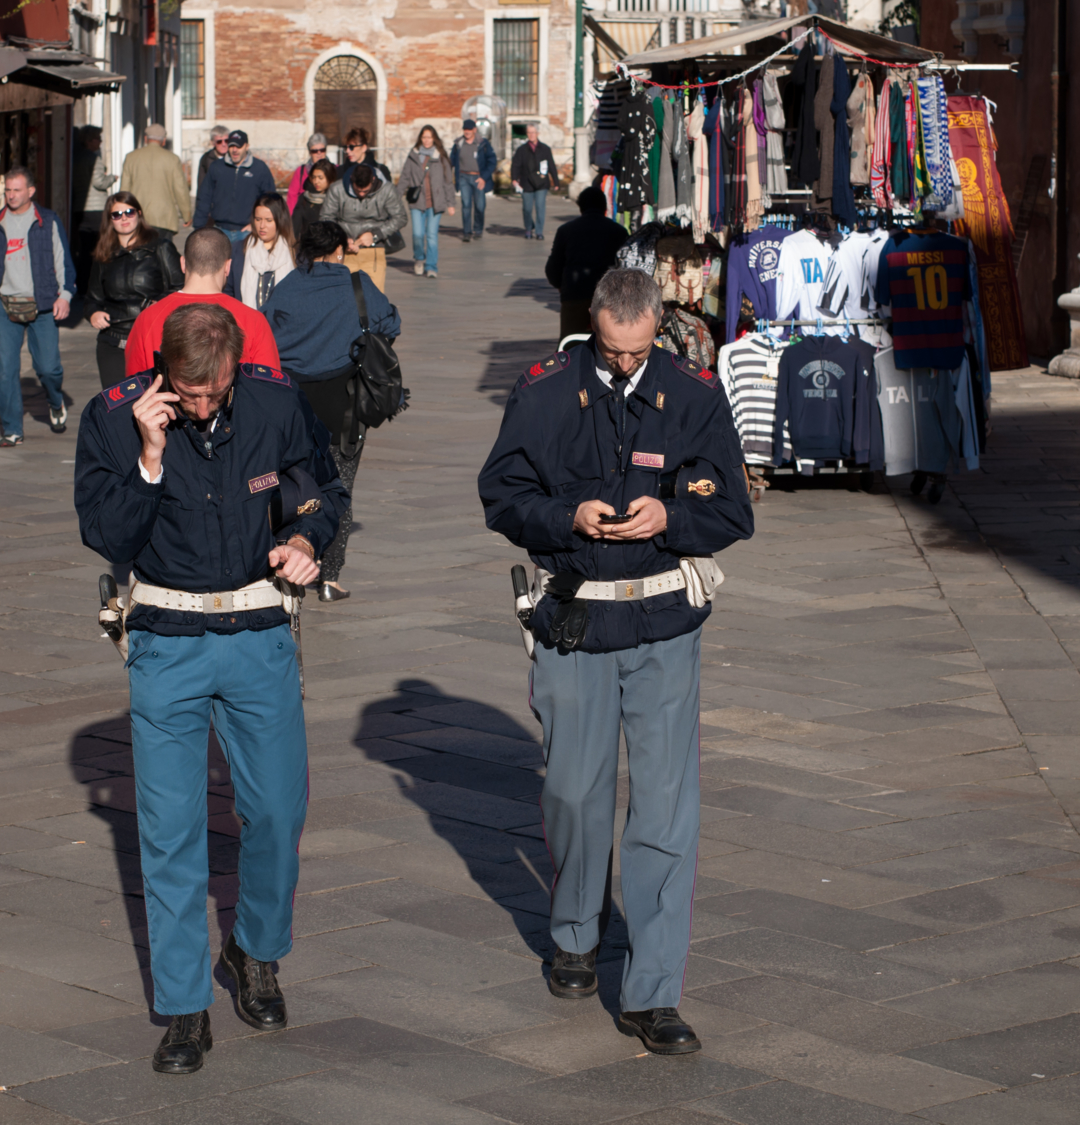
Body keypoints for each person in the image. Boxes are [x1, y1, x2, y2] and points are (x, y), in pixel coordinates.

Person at [477, 269, 753, 1056]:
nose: (625, 365)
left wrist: (676, 512)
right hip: (574, 617)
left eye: (637, 351)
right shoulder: (540, 391)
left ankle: (653, 993)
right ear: (592, 328)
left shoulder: (697, 395)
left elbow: (733, 508)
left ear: (657, 327)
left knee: (666, 809)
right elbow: (499, 495)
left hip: (665, 618)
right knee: (572, 789)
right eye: (610, 350)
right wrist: (567, 515)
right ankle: (574, 928)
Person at [74, 302, 346, 1076]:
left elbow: (323, 492)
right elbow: (109, 535)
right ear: (164, 371)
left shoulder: (274, 403)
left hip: (259, 633)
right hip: (165, 637)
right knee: (169, 829)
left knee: (276, 809)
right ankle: (186, 1004)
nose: (200, 407)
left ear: (233, 369)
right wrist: (150, 456)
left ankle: (255, 948)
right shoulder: (115, 417)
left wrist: (304, 538)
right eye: (186, 394)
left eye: (212, 394)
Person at [262, 221, 401, 602]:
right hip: (344, 404)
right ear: (339, 249)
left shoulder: (287, 287)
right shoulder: (357, 284)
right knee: (339, 487)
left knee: (289, 484)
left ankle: (285, 559)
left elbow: (265, 331)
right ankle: (328, 575)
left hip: (292, 403)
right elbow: (391, 322)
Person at [0, 166, 76, 448]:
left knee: (49, 369)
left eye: (17, 190)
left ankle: (55, 401)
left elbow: (63, 262)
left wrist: (65, 295)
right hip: (5, 307)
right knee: (5, 370)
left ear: (31, 191)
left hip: (42, 306)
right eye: (7, 189)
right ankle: (12, 430)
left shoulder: (48, 221)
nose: (11, 195)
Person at [125, 227, 281, 376]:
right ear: (227, 267)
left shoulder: (147, 319)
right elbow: (269, 388)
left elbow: (136, 386)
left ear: (183, 264)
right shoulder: (254, 321)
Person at [86, 191, 183, 388]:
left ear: (139, 213)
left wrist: (159, 305)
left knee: (155, 403)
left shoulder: (161, 247)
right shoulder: (103, 254)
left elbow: (180, 288)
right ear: (109, 220)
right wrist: (93, 313)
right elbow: (92, 298)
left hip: (151, 338)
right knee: (117, 405)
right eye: (117, 214)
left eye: (129, 212)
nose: (123, 218)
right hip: (112, 340)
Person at [545, 186, 629, 339]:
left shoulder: (566, 230)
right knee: (609, 342)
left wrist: (561, 286)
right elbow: (625, 267)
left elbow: (553, 267)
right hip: (608, 298)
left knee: (570, 343)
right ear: (604, 207)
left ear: (580, 207)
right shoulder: (619, 231)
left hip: (574, 295)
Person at [320, 162, 407, 296]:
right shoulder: (337, 189)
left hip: (374, 251)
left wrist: (376, 235)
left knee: (374, 297)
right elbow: (326, 217)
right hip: (343, 250)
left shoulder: (387, 189)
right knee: (343, 295)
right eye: (357, 190)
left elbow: (400, 217)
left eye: (365, 191)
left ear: (373, 180)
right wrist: (342, 238)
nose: (361, 194)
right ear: (351, 180)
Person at [194, 130, 275, 242]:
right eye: (231, 146)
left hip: (247, 232)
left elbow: (270, 201)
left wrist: (256, 225)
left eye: (239, 146)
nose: (235, 150)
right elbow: (204, 198)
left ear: (247, 147)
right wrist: (198, 228)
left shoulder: (260, 169)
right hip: (220, 231)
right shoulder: (217, 167)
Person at [399, 125, 456, 279]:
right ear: (420, 138)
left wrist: (451, 203)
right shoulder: (413, 155)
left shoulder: (441, 157)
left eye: (429, 137)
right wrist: (396, 197)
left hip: (436, 203)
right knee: (417, 234)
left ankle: (431, 266)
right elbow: (404, 176)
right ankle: (419, 259)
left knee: (431, 235)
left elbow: (448, 182)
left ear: (434, 139)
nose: (426, 140)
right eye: (424, 137)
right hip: (417, 202)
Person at [120, 123, 193, 241]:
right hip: (164, 218)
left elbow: (124, 190)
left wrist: (122, 215)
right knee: (162, 255)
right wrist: (187, 214)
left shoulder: (131, 157)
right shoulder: (172, 159)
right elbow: (180, 189)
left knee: (140, 256)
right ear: (163, 141)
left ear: (145, 139)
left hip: (137, 218)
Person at [223, 194, 295, 310]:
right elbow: (227, 291)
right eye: (258, 219)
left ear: (281, 220)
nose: (262, 226)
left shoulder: (295, 254)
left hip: (283, 326)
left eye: (268, 220)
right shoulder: (238, 250)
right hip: (244, 322)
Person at [72, 127, 116, 296]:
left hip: (80, 207)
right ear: (89, 141)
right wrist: (112, 178)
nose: (100, 142)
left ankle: (82, 286)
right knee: (100, 249)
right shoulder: (94, 159)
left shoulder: (76, 158)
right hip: (96, 208)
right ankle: (97, 287)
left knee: (84, 251)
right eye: (98, 138)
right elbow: (99, 182)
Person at [449, 118, 496, 243]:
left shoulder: (483, 143)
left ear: (474, 130)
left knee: (480, 206)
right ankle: (466, 232)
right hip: (463, 177)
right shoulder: (458, 144)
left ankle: (478, 229)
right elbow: (451, 161)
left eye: (470, 129)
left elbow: (492, 161)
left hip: (478, 178)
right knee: (466, 205)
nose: (467, 132)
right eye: (465, 129)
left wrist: (484, 177)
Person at [511, 124, 558, 239]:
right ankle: (528, 228)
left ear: (538, 134)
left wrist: (556, 181)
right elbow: (515, 165)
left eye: (533, 132)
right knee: (527, 208)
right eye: (529, 133)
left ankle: (539, 231)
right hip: (526, 182)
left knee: (540, 207)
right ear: (527, 134)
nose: (531, 135)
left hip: (542, 182)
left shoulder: (545, 149)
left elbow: (551, 165)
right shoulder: (521, 150)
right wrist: (514, 178)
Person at [290, 159, 337, 240]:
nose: (316, 181)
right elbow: (295, 225)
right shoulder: (305, 197)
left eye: (320, 178)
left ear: (330, 179)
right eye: (314, 177)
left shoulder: (336, 198)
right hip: (309, 244)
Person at [285, 133, 329, 213]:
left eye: (322, 150)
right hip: (305, 214)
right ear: (310, 153)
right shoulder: (301, 171)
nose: (319, 153)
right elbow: (292, 196)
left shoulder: (335, 169)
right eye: (314, 151)